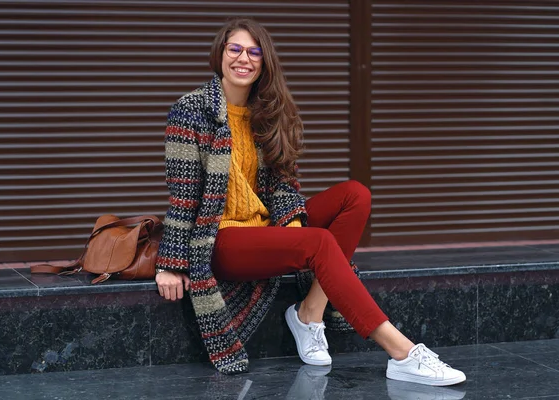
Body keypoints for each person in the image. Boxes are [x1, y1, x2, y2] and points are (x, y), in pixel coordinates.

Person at [154, 18, 466, 387]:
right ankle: (402, 353)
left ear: (264, 61)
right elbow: (183, 192)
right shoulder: (191, 109)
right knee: (318, 242)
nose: (244, 59)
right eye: (234, 49)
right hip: (218, 239)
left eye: (254, 52)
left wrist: (292, 228)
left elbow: (284, 184)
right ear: (220, 54)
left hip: (264, 227)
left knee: (355, 195)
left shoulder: (268, 112)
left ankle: (309, 314)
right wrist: (170, 265)